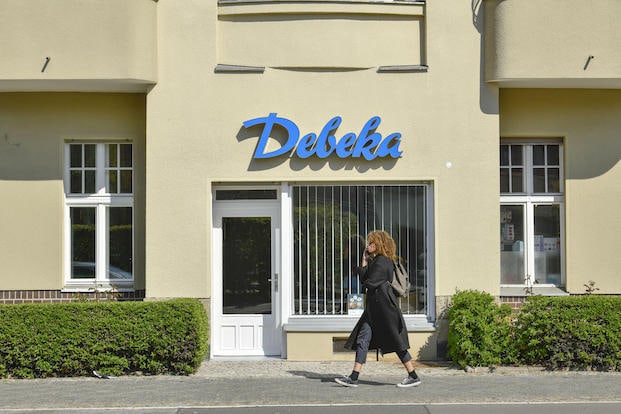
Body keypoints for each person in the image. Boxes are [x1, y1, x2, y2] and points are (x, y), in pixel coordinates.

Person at [335, 230, 421, 388]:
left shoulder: (382, 262)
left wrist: (363, 272)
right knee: (363, 339)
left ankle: (413, 376)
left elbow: (369, 282)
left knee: (396, 342)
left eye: (371, 242)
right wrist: (364, 260)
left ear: (378, 244)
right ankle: (354, 377)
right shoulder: (377, 261)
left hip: (385, 309)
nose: (368, 245)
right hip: (374, 309)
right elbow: (365, 278)